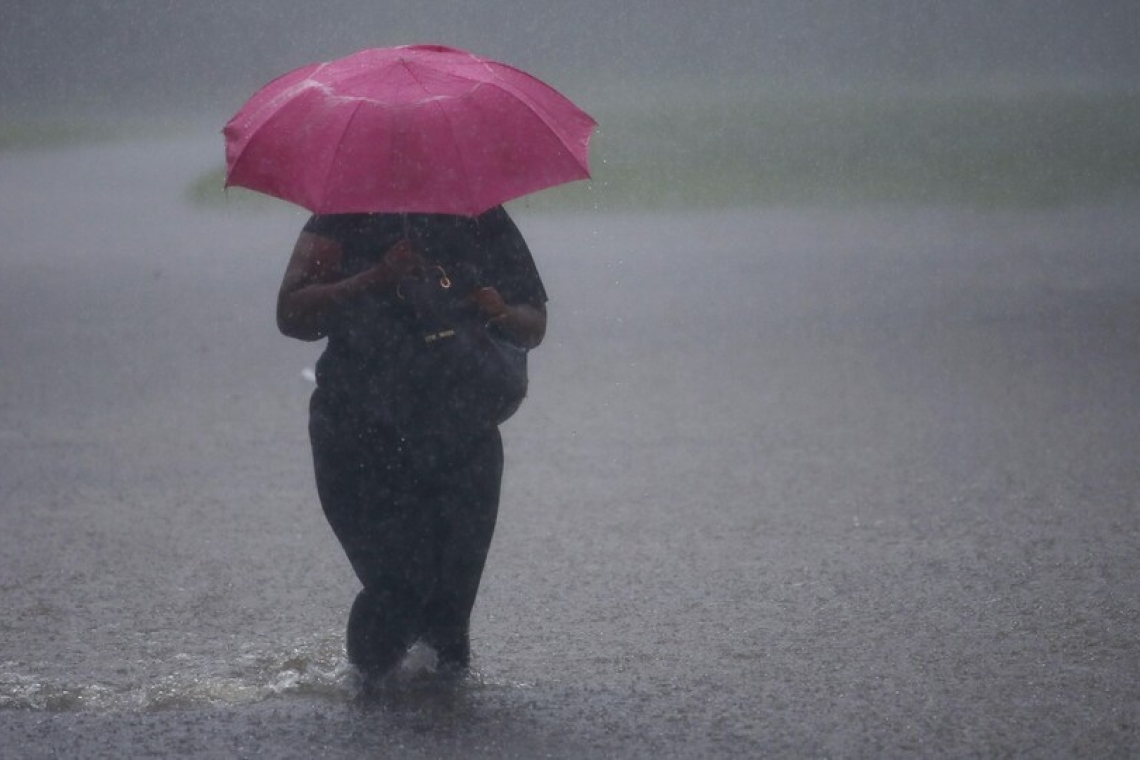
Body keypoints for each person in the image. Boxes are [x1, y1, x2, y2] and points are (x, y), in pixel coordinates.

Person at [276, 207, 547, 681]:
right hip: (356, 434)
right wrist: (375, 277)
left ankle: (448, 722)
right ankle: (367, 700)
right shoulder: (340, 218)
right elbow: (292, 314)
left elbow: (533, 322)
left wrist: (500, 310)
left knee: (449, 613)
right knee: (398, 587)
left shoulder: (482, 217)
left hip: (462, 435)